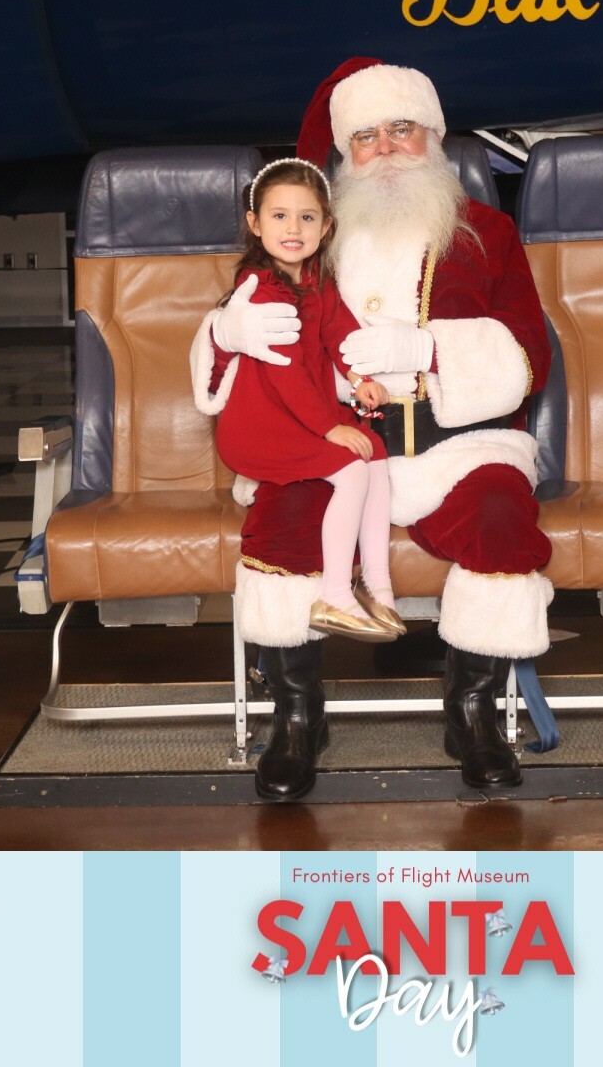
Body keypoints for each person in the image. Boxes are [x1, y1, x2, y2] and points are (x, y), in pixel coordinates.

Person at [191, 59, 553, 800]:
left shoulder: (488, 231)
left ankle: (473, 713)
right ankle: (297, 717)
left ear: (435, 138)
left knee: (500, 519)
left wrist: (427, 349)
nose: (384, 148)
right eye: (365, 136)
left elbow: (530, 354)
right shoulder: (309, 233)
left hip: (461, 446)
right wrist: (225, 332)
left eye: (401, 129)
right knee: (283, 522)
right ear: (344, 152)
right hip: (332, 444)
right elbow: (246, 329)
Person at [209, 158, 404, 800]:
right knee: (350, 466)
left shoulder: (317, 277)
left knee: (374, 454)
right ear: (254, 223)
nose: (293, 228)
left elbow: (340, 329)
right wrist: (329, 428)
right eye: (279, 216)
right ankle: (334, 596)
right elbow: (288, 375)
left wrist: (361, 377)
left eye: (307, 217)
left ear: (326, 225)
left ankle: (377, 587)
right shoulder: (261, 290)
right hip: (262, 425)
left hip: (301, 413)